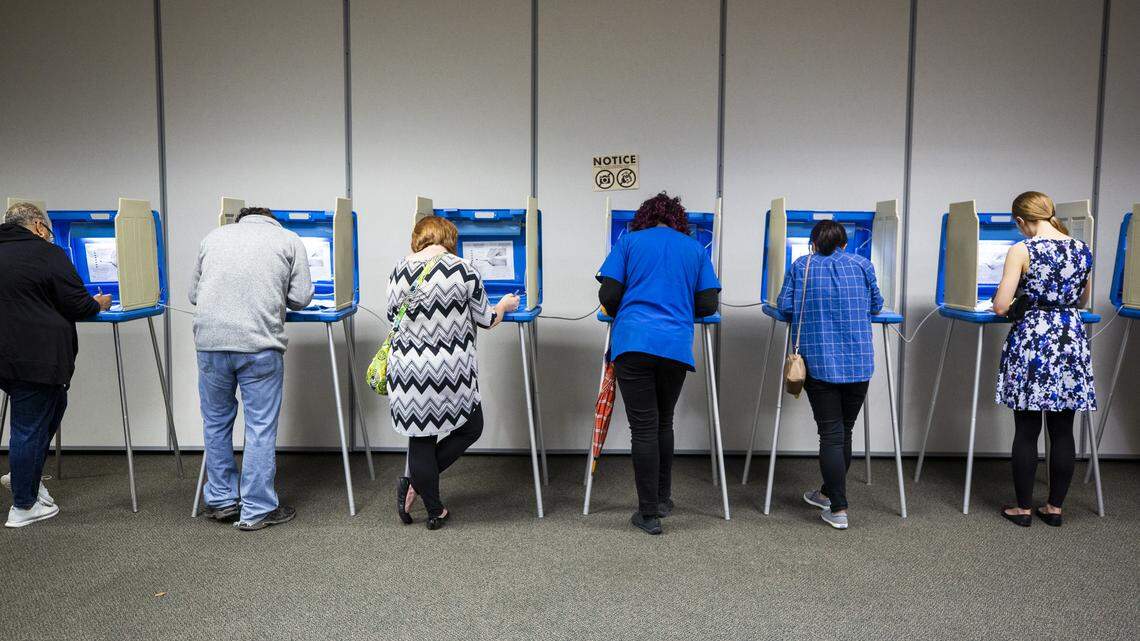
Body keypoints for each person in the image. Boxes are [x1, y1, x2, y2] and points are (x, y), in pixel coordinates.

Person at [596, 192, 721, 535]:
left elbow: (608, 295)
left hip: (634, 343)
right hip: (675, 347)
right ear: (678, 219)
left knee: (644, 428)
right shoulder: (695, 249)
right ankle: (663, 498)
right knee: (664, 422)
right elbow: (708, 304)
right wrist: (678, 307)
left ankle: (648, 513)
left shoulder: (629, 242)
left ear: (644, 217)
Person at [388, 216, 518, 530]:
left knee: (420, 437)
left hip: (408, 368)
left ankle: (433, 508)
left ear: (418, 238)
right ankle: (417, 485)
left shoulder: (398, 270)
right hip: (450, 370)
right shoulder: (463, 269)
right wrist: (505, 305)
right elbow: (486, 319)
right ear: (449, 237)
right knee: (471, 427)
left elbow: (393, 316)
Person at [189, 206, 313, 531]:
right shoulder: (288, 239)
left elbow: (193, 295)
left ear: (239, 219)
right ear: (273, 220)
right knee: (259, 427)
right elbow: (302, 297)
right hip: (259, 345)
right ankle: (256, 509)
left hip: (210, 344)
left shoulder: (212, 237)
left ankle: (221, 501)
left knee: (216, 423)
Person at [0, 202, 111, 527]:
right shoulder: (50, 255)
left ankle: (25, 477)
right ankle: (23, 506)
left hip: (7, 355)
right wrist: (99, 302)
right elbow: (78, 305)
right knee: (28, 425)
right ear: (37, 226)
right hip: (37, 355)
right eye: (46, 229)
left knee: (50, 407)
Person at [993, 191, 1095, 528]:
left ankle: (1022, 509)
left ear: (1022, 221)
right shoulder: (1082, 249)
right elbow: (1083, 299)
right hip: (1069, 337)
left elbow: (1001, 305)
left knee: (1027, 427)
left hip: (1034, 337)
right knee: (1062, 427)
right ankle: (1054, 509)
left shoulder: (1023, 250)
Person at [777, 219, 882, 530]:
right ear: (844, 243)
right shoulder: (863, 264)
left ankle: (838, 508)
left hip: (820, 363)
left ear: (813, 243)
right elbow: (877, 304)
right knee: (844, 432)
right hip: (859, 364)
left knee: (831, 434)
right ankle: (827, 494)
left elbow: (784, 306)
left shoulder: (802, 266)